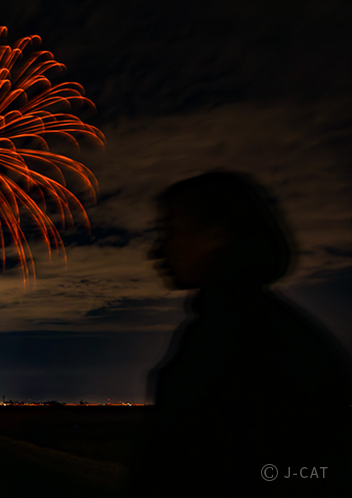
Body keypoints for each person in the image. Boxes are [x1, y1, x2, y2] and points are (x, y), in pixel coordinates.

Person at [127, 171, 351, 497]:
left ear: (217, 236)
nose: (157, 251)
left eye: (172, 231)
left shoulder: (232, 339)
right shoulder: (273, 329)